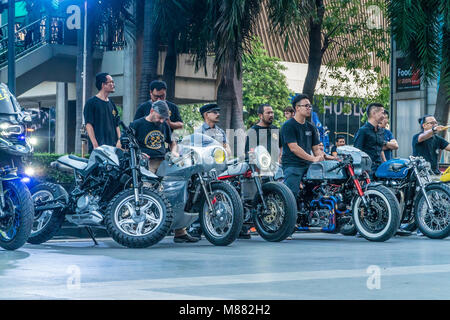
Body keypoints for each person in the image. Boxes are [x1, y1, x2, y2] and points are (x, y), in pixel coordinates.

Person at [129, 100, 199, 243]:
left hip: (164, 162)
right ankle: (141, 231)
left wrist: (174, 152)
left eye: (164, 118)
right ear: (151, 111)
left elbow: (172, 142)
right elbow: (122, 145)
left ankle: (180, 232)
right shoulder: (136, 125)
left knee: (174, 195)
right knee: (147, 196)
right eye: (160, 117)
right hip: (146, 165)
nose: (161, 121)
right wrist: (138, 155)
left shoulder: (163, 125)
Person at [281, 94, 324, 197]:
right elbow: (294, 148)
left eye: (310, 106)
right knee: (292, 195)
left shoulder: (311, 127)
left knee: (318, 192)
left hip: (308, 165)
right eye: (306, 106)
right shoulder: (288, 126)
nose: (309, 108)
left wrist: (321, 157)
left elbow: (316, 149)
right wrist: (313, 159)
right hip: (292, 165)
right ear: (297, 108)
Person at [84, 72, 121, 152]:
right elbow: (89, 125)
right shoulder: (91, 103)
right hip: (99, 148)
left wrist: (119, 140)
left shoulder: (112, 103)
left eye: (113, 82)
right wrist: (95, 144)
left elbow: (117, 124)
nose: (113, 84)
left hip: (113, 148)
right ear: (103, 85)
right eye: (110, 82)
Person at [353, 103, 386, 174]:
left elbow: (380, 150)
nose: (384, 116)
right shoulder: (363, 131)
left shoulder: (381, 131)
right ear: (374, 113)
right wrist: (360, 172)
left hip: (380, 169)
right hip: (367, 171)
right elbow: (357, 152)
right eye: (382, 113)